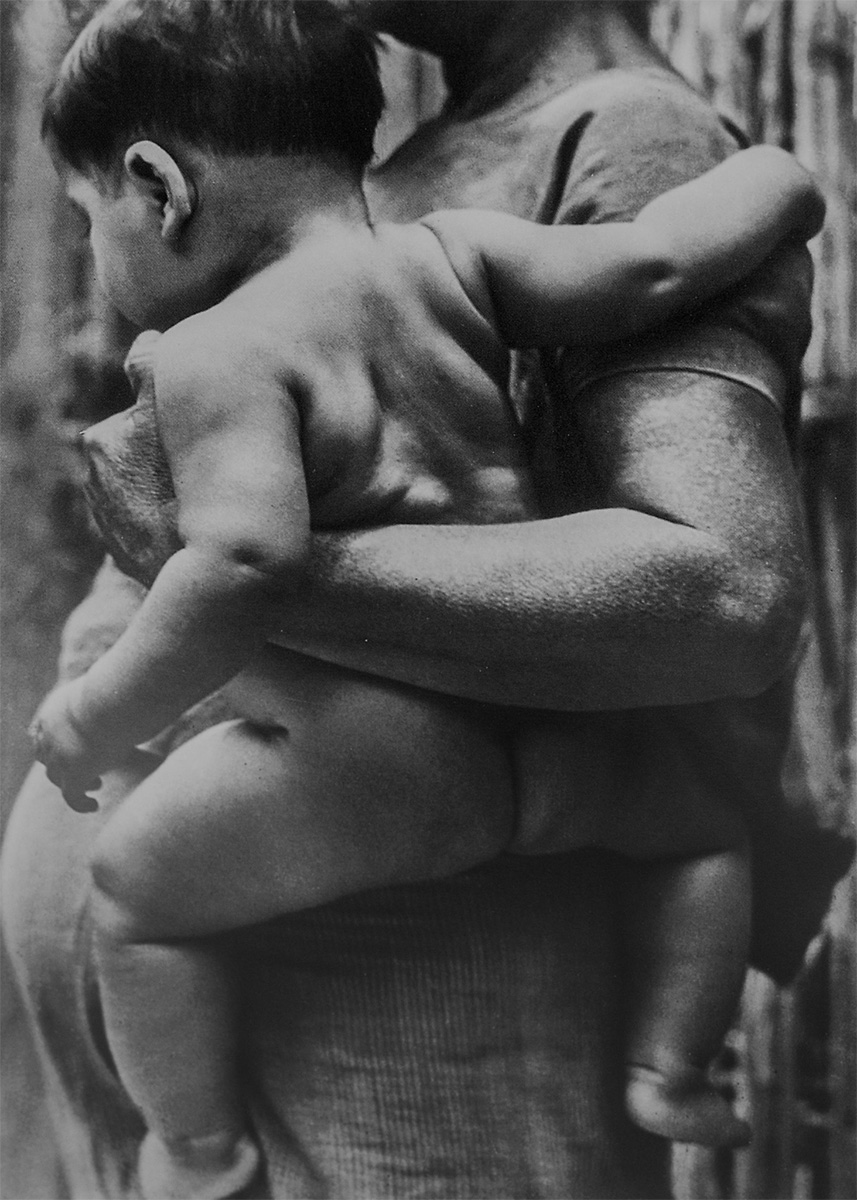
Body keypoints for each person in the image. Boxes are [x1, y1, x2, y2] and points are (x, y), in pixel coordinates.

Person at [3, 2, 852, 1198]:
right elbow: (658, 258)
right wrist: (782, 182)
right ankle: (676, 1060)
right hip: (321, 953)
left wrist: (180, 584)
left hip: (405, 1040)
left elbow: (722, 594)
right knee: (684, 827)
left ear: (160, 187)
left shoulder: (625, 135)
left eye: (91, 219)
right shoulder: (423, 226)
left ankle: (669, 1059)